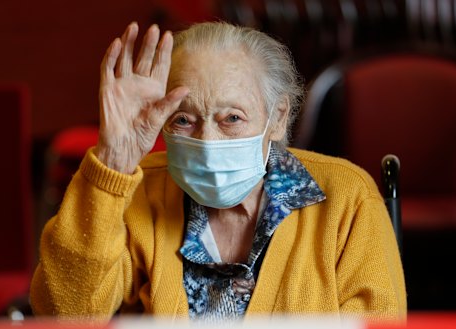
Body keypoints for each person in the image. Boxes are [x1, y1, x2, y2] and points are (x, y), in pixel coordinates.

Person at [30, 21, 406, 322]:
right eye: (183, 120)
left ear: (276, 119)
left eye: (232, 118)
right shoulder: (136, 190)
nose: (208, 140)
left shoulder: (347, 199)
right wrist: (114, 161)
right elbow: (65, 315)